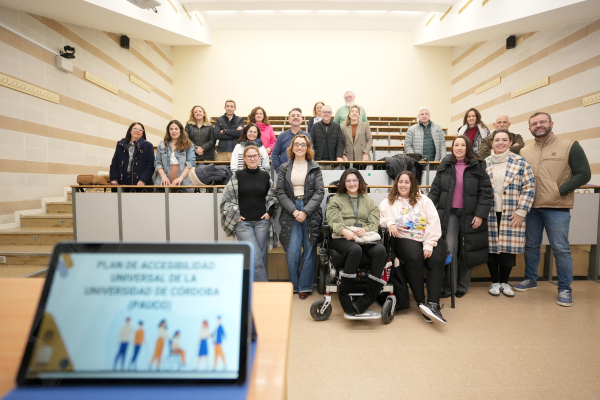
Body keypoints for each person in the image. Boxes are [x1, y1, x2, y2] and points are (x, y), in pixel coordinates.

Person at [514, 112, 591, 307]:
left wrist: (560, 191)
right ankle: (531, 278)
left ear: (551, 124)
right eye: (534, 123)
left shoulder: (569, 146)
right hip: (531, 207)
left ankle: (565, 288)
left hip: (556, 206)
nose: (538, 125)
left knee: (561, 249)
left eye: (542, 122)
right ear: (529, 128)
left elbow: (583, 174)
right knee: (531, 245)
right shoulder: (525, 151)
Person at [428, 135, 493, 298]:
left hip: (470, 215)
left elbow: (486, 193)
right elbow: (435, 190)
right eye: (456, 145)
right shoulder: (445, 165)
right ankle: (449, 286)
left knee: (467, 250)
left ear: (468, 147)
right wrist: (425, 209)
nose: (459, 148)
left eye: (462, 145)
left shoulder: (477, 166)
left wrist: (480, 215)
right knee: (450, 248)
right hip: (449, 215)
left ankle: (463, 286)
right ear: (452, 147)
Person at [380, 171, 447, 324]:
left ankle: (433, 304)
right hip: (404, 238)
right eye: (400, 181)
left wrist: (429, 244)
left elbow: (434, 223)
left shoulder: (424, 200)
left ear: (413, 184)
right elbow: (381, 217)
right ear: (396, 183)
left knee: (436, 260)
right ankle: (421, 302)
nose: (403, 185)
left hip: (428, 237)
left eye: (407, 182)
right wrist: (390, 223)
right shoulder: (388, 201)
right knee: (415, 258)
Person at [327, 168, 386, 318]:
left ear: (360, 182)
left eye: (355, 180)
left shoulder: (370, 201)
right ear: (343, 183)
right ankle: (344, 295)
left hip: (364, 236)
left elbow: (374, 224)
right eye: (348, 180)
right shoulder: (336, 199)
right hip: (342, 237)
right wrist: (344, 231)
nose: (352, 183)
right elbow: (333, 221)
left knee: (380, 251)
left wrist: (365, 230)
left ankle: (368, 298)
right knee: (355, 250)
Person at [485, 129, 535, 298]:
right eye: (497, 140)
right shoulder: (484, 163)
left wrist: (521, 211)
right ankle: (494, 282)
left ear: (510, 143)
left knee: (508, 249)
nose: (500, 143)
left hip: (512, 212)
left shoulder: (520, 162)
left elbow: (529, 187)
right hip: (490, 212)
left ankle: (505, 282)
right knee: (491, 249)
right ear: (492, 143)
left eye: (504, 140)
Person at [276, 134, 324, 299]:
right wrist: (295, 211)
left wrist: (305, 211)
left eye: (303, 145)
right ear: (292, 147)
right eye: (297, 144)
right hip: (291, 210)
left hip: (309, 210)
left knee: (310, 250)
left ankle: (304, 286)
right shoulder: (284, 167)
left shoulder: (315, 167)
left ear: (308, 147)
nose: (300, 147)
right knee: (292, 250)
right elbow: (280, 192)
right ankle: (294, 286)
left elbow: (319, 192)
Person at [221, 145, 278, 282]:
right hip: (243, 223)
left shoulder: (265, 176)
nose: (252, 158)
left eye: (255, 156)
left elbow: (272, 197)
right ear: (244, 159)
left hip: (262, 222)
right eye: (249, 156)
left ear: (259, 157)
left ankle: (252, 288)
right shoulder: (237, 176)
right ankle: (264, 289)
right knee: (255, 257)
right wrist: (236, 216)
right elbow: (227, 199)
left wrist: (269, 213)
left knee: (260, 256)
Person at [154, 120, 196, 191]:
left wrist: (180, 178)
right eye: (171, 129)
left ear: (181, 130)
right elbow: (157, 162)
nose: (174, 131)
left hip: (183, 182)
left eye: (176, 129)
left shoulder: (189, 145)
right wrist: (163, 176)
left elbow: (190, 163)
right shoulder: (162, 145)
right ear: (168, 131)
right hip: (164, 182)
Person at [272, 108, 308, 173]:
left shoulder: (307, 137)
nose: (295, 117)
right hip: (284, 173)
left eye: (298, 115)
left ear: (302, 119)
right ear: (288, 119)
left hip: (303, 172)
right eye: (293, 115)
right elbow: (275, 154)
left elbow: (311, 154)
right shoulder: (282, 136)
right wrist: (278, 170)